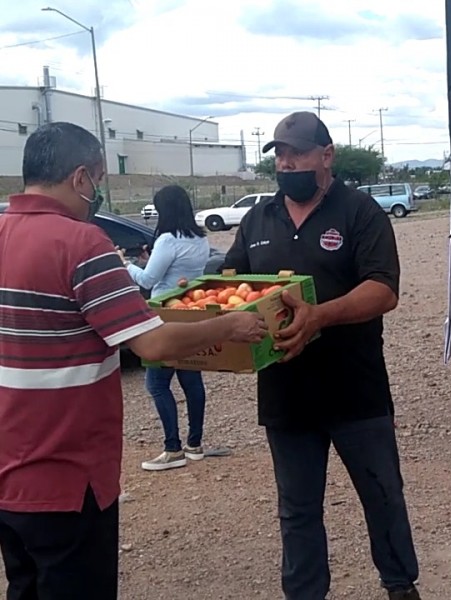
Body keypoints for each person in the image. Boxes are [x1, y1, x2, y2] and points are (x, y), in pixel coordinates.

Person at [0, 122, 267, 600]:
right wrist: (231, 325)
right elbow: (154, 347)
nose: (96, 192)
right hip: (68, 475)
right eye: (98, 180)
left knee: (24, 587)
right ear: (81, 178)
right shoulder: (82, 244)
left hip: (8, 469)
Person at [222, 112, 420, 600]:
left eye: (297, 153)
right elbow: (233, 280)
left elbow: (383, 290)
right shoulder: (258, 219)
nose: (287, 163)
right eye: (280, 155)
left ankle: (400, 586)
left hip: (355, 389)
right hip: (285, 392)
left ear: (326, 156)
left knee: (382, 496)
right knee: (297, 508)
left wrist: (319, 316)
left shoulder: (360, 213)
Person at [122, 185, 211, 471]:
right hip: (189, 313)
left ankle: (172, 448)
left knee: (157, 383)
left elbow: (148, 281)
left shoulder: (168, 240)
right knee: (191, 379)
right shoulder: (199, 239)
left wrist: (124, 264)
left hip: (164, 315)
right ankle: (195, 444)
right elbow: (180, 273)